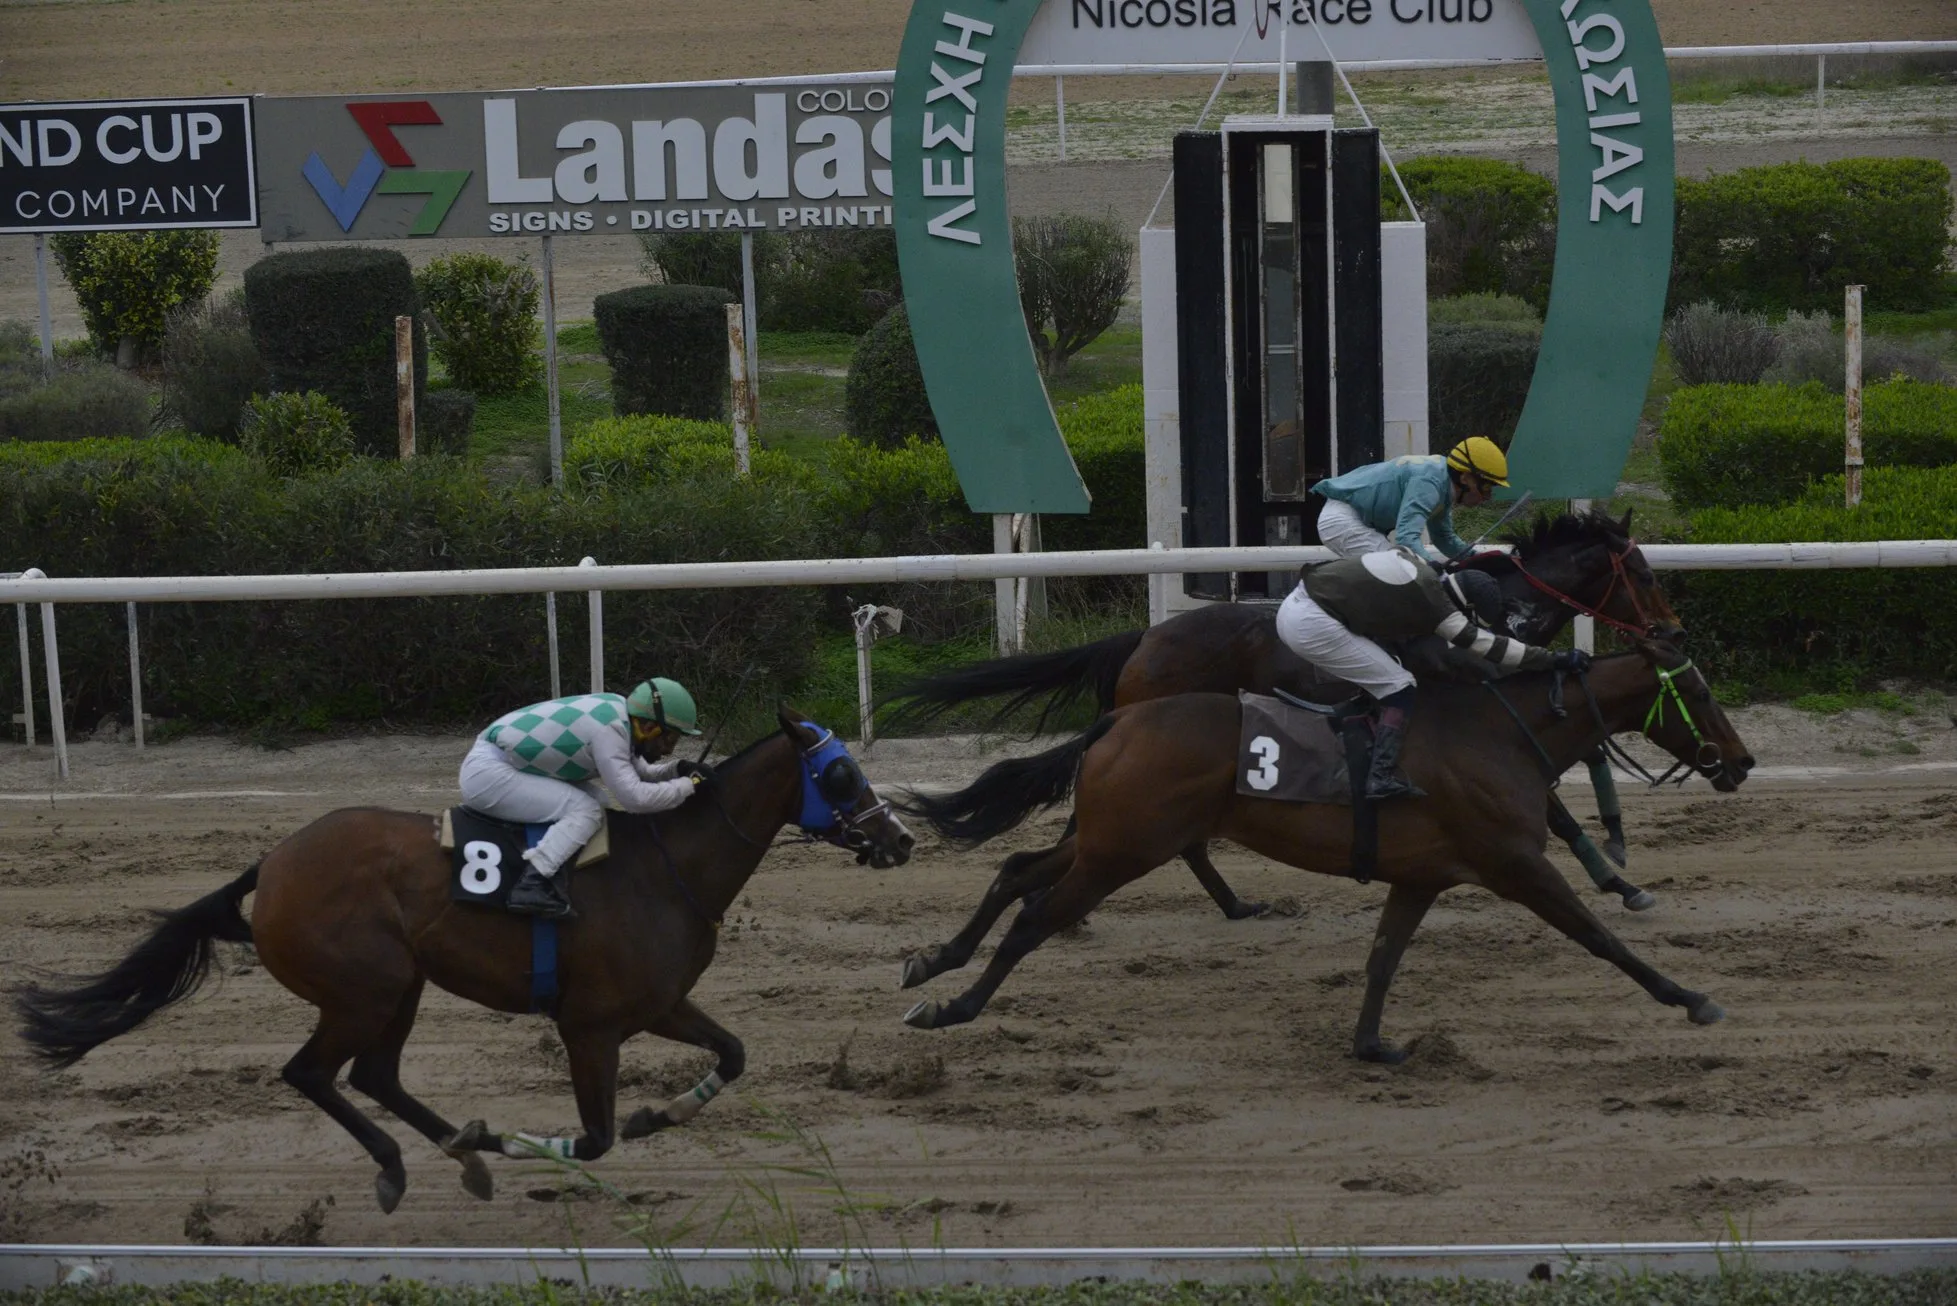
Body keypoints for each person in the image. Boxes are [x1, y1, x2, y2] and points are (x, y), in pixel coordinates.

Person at [1275, 547, 1589, 800]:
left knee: (1390, 664)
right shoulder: (1439, 609)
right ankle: (1380, 776)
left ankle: (1362, 732)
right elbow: (1490, 647)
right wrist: (1554, 659)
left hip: (1302, 603)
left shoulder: (1422, 567)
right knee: (1400, 686)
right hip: (1312, 623)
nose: (1461, 619)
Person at [458, 678, 707, 919]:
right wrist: (689, 785)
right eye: (669, 739)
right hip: (486, 774)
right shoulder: (610, 731)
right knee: (586, 810)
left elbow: (643, 773)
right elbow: (635, 798)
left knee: (600, 802)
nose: (668, 750)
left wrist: (679, 769)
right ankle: (532, 883)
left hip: (503, 762)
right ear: (649, 727)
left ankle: (569, 876)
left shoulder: (621, 715)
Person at [1311, 437, 1509, 565]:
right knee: (1398, 567)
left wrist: (1480, 560)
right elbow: (1406, 539)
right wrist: (1434, 568)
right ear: (1465, 478)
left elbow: (1444, 539)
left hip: (1353, 519)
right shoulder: (1430, 482)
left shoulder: (1442, 481)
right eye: (1485, 487)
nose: (1487, 497)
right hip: (1343, 520)